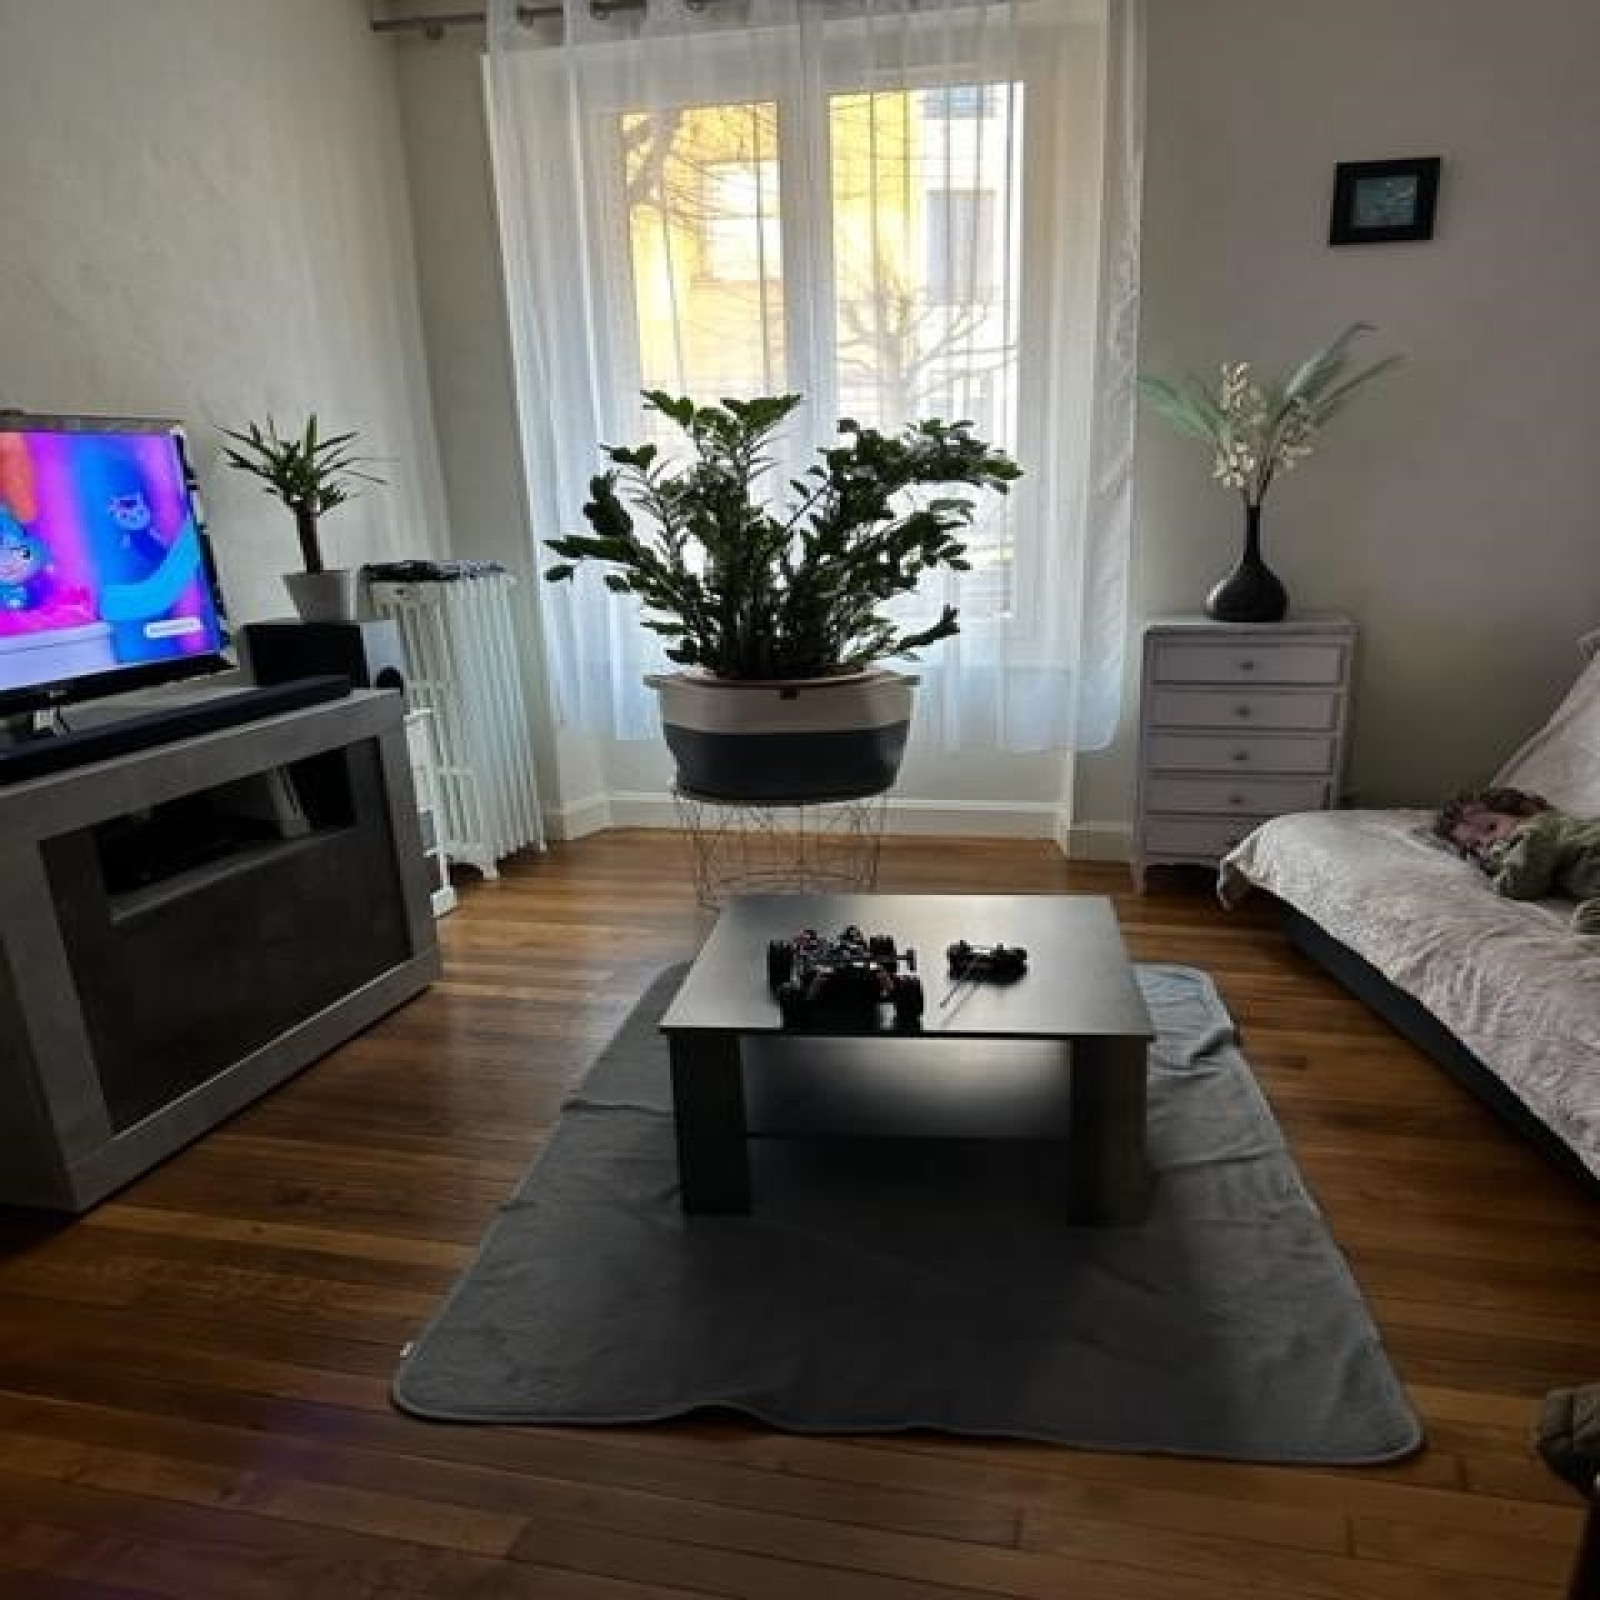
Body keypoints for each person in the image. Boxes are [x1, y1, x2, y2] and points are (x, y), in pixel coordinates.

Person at [1433, 786, 1600, 933]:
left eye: (1491, 828)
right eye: (1476, 845)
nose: (1487, 842)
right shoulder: (1556, 830)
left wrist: (1500, 872)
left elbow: (1519, 885)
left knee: (1587, 921)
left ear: (1525, 812)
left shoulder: (1534, 833)